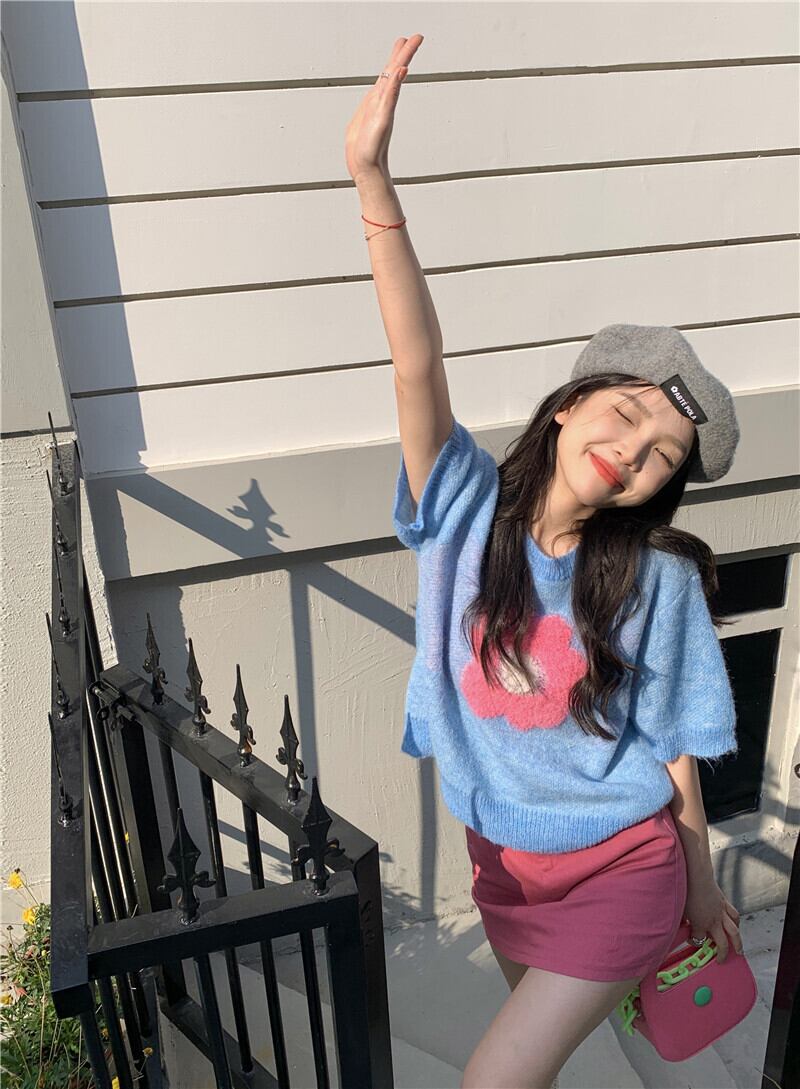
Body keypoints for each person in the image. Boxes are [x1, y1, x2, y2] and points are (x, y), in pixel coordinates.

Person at [345, 35, 745, 1089]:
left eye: (661, 456)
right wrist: (372, 182)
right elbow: (415, 361)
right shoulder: (462, 508)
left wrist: (699, 880)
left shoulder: (654, 580)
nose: (632, 451)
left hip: (622, 871)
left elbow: (670, 746)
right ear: (570, 405)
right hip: (503, 869)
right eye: (625, 413)